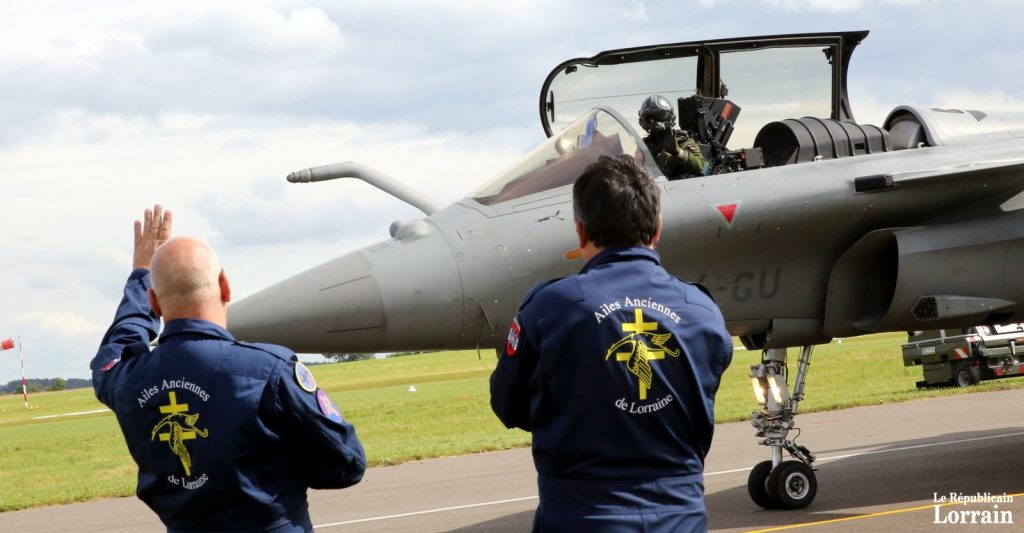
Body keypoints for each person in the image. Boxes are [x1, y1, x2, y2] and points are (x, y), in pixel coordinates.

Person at [489, 155, 732, 532]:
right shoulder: (701, 310)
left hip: (581, 516)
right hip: (681, 519)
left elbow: (509, 406)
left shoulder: (550, 309)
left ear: (581, 231)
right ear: (657, 229)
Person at [91, 205, 366, 532]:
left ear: (153, 302)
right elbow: (346, 463)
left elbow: (118, 345)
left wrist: (140, 275)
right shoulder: (268, 371)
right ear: (224, 285)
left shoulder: (125, 380)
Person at [639, 94, 709, 179]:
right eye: (651, 118)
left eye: (661, 116)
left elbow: (705, 169)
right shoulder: (645, 145)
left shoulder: (683, 141)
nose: (657, 123)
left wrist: (678, 152)